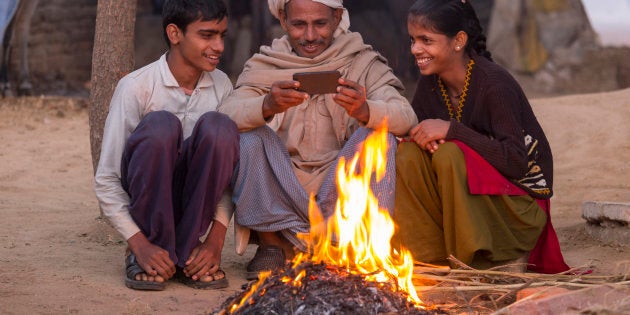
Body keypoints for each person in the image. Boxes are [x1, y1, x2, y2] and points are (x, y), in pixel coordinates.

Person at [218, 0, 417, 279]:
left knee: (376, 137)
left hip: (338, 191)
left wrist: (365, 110)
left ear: (336, 18)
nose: (310, 36)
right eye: (299, 25)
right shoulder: (265, 64)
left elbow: (406, 116)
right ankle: (272, 245)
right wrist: (266, 105)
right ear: (284, 20)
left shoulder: (361, 61)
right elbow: (225, 116)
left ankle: (348, 244)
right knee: (249, 138)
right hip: (283, 190)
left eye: (320, 24)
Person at [393, 0, 570, 274]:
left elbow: (516, 163)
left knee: (449, 153)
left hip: (518, 211)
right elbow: (420, 133)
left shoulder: (494, 85)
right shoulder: (431, 82)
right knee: (408, 152)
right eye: (413, 40)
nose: (415, 49)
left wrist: (453, 131)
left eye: (426, 40)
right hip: (475, 204)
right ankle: (426, 256)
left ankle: (470, 261)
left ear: (458, 41)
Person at [93, 0, 239, 291]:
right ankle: (152, 250)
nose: (219, 46)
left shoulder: (222, 85)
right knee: (161, 126)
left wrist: (215, 241)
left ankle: (188, 254)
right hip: (145, 205)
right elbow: (107, 179)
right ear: (175, 34)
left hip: (194, 206)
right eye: (206, 35)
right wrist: (139, 243)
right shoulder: (137, 87)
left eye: (221, 35)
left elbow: (227, 174)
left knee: (220, 128)